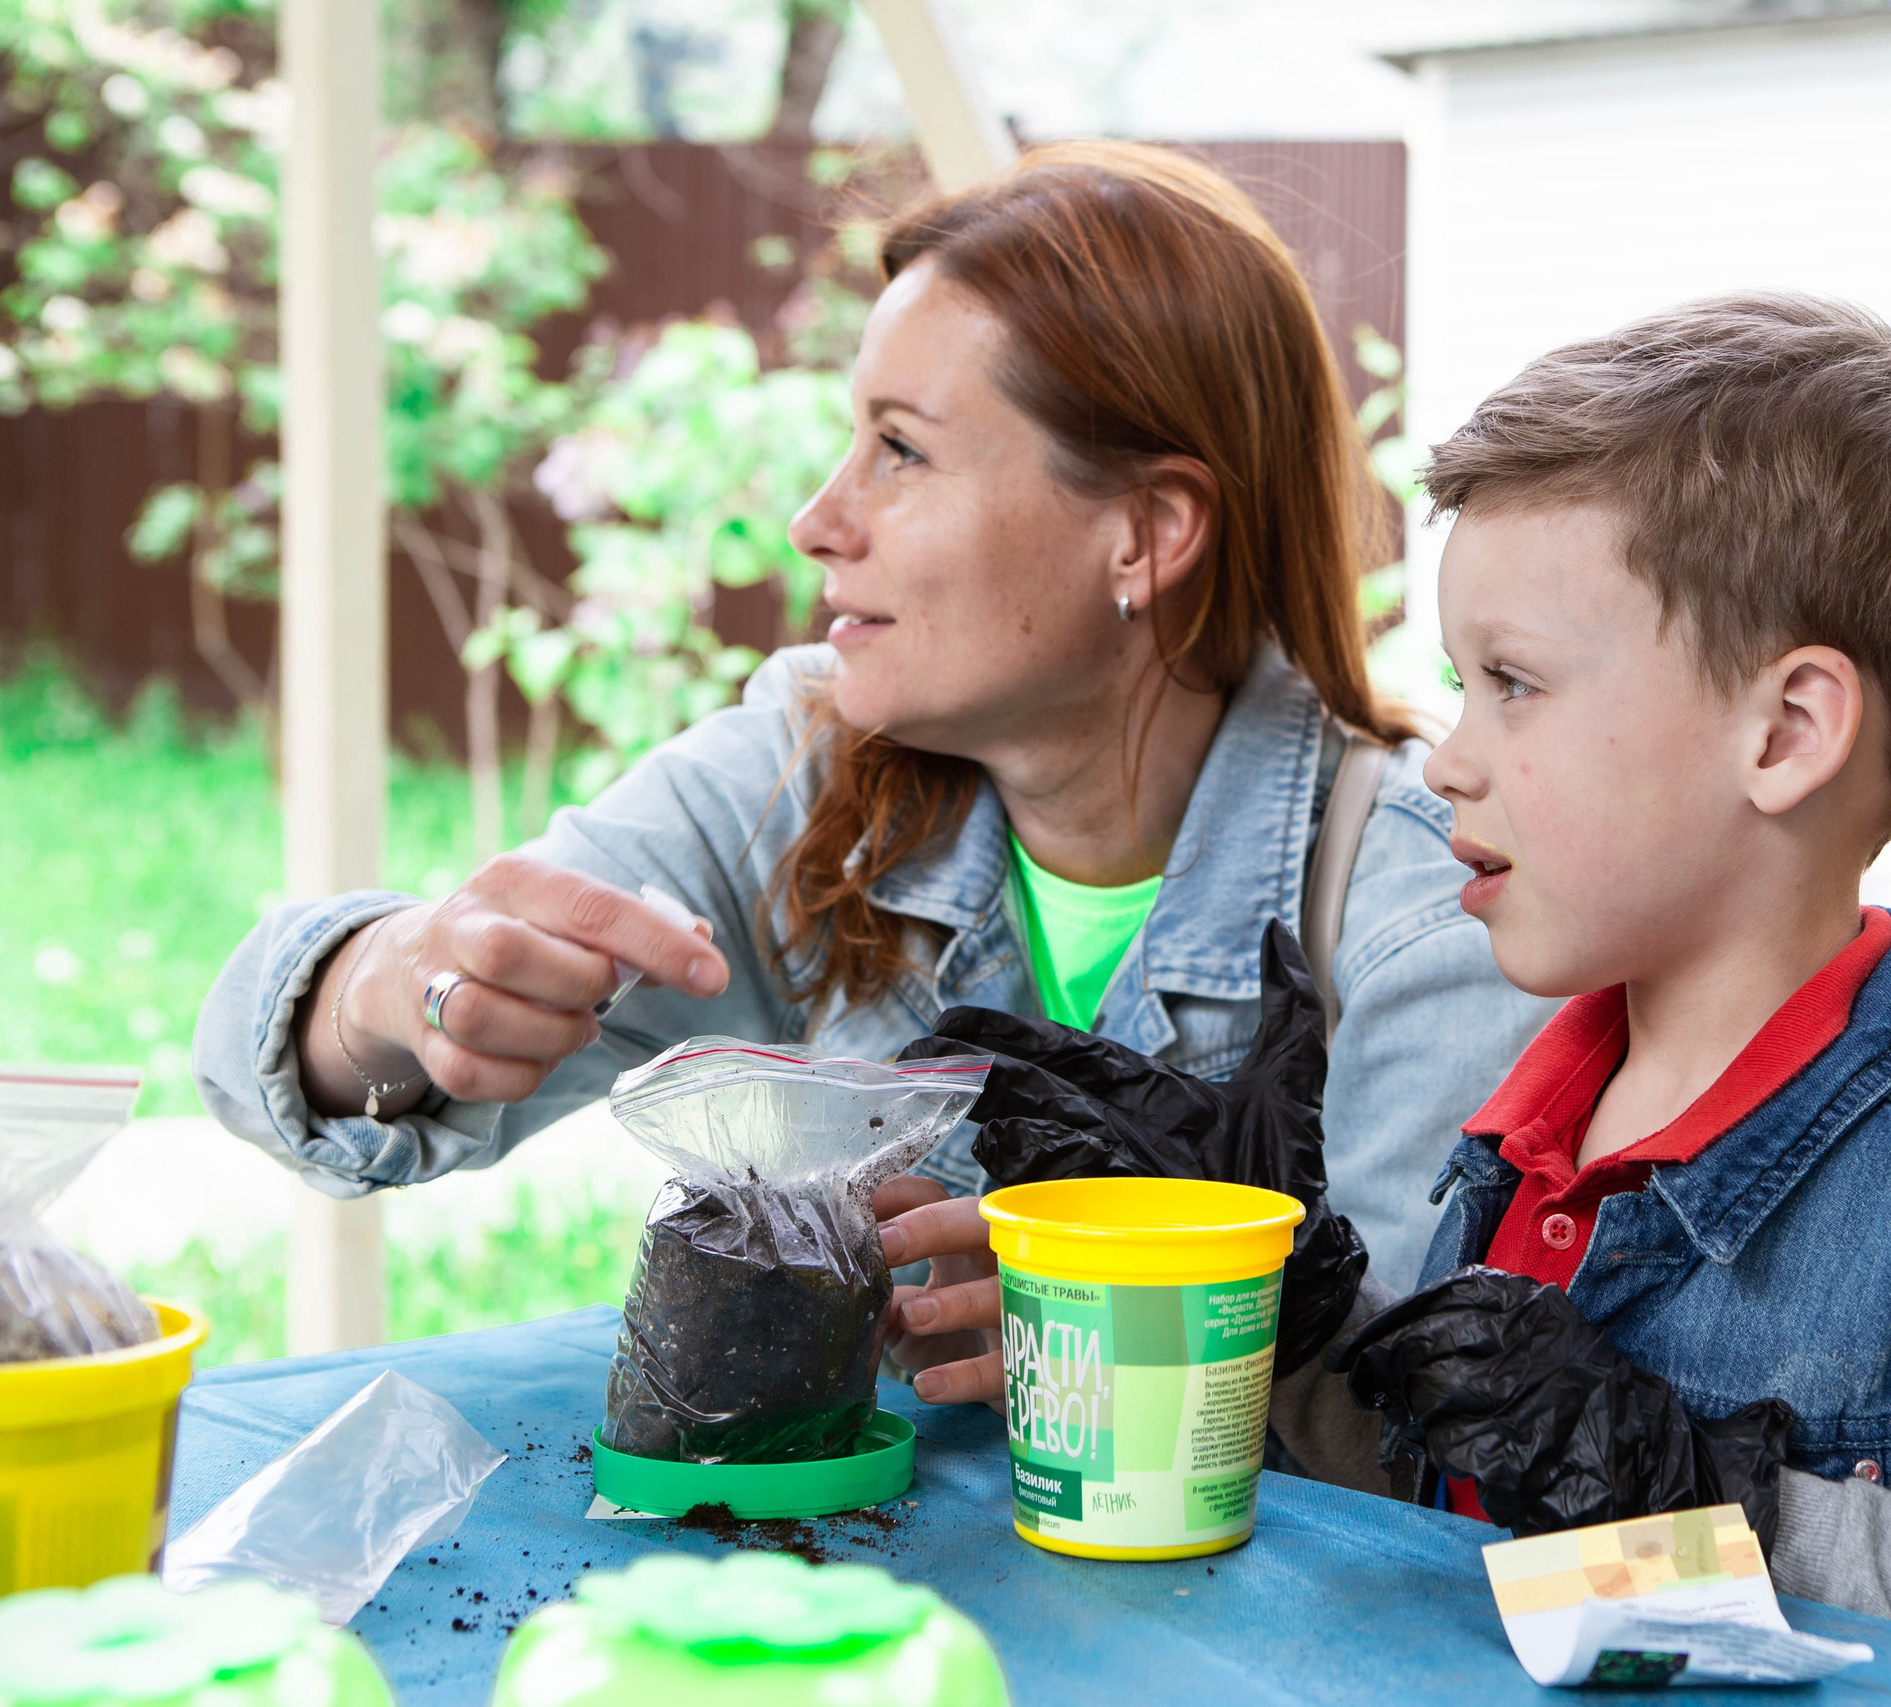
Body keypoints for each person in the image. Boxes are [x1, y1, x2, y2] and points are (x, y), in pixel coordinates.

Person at [889, 293, 1891, 1686]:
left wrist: (1714, 1510)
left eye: (1513, 684)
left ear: (1789, 732)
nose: (1447, 760)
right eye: (1460, 685)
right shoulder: (1525, 1136)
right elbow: (1467, 1534)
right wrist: (1311, 1325)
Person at [190, 142, 1554, 1301]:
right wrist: (393, 992)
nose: (816, 521)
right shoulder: (811, 777)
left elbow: (1428, 1429)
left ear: (1146, 534)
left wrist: (1096, 1323)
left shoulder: (1426, 899)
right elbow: (264, 1069)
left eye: (900, 450)